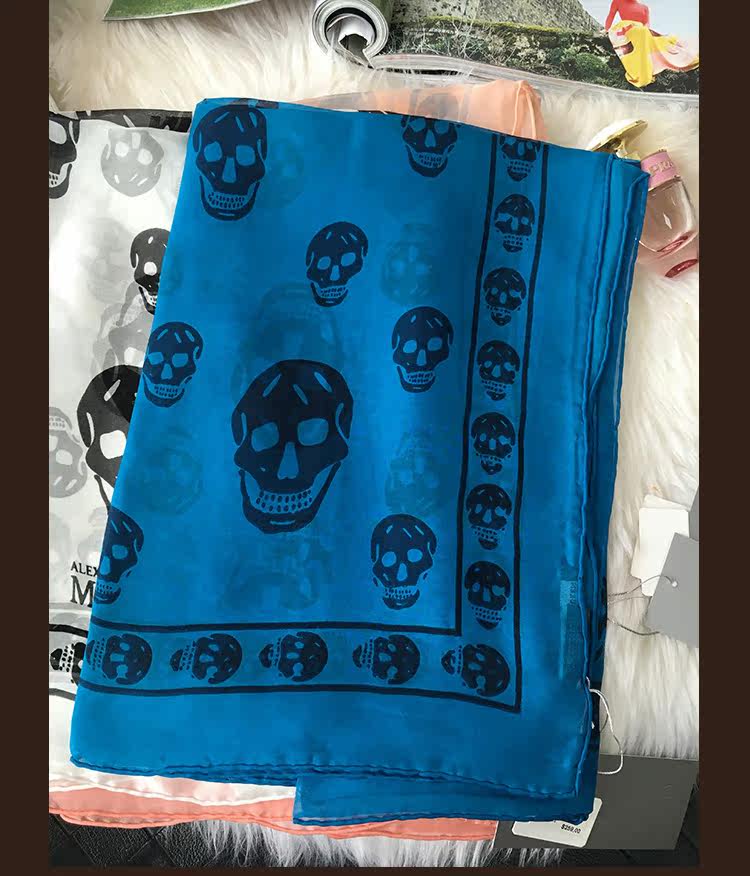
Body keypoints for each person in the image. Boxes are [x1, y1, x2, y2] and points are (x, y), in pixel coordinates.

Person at [604, 0, 699, 88]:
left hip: (643, 33)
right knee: (644, 36)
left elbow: (646, 24)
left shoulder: (644, 7)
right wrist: (607, 29)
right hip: (629, 30)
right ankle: (643, 71)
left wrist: (647, 33)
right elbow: (611, 15)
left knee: (663, 42)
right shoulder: (618, 2)